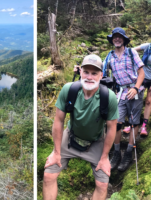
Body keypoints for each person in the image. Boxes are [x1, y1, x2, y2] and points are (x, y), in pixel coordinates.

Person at [43, 55, 118, 200]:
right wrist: (56, 152)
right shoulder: (69, 90)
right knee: (48, 175)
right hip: (70, 137)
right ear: (80, 72)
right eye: (86, 72)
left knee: (102, 185)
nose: (89, 77)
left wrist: (104, 157)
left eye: (94, 73)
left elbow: (111, 128)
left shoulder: (108, 97)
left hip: (96, 141)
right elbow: (58, 120)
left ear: (101, 75)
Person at [104, 27, 145, 172]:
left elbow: (141, 72)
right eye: (114, 37)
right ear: (112, 39)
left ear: (124, 39)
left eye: (119, 37)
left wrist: (135, 88)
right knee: (116, 123)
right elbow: (100, 72)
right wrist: (80, 71)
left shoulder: (131, 52)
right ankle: (116, 153)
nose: (117, 39)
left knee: (134, 122)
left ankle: (128, 152)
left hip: (135, 90)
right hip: (120, 93)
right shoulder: (109, 57)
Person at [122, 31, 151, 137]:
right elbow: (132, 51)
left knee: (148, 102)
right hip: (141, 77)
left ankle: (144, 126)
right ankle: (131, 124)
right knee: (135, 100)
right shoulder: (147, 46)